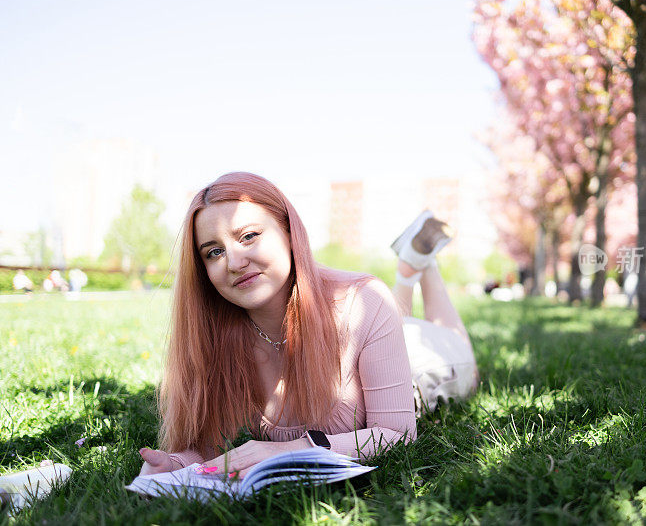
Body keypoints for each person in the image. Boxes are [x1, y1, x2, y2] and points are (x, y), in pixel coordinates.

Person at [138, 172, 478, 476]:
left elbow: (396, 433)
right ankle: (410, 266)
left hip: (426, 367)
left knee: (449, 340)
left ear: (289, 232)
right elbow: (209, 445)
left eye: (248, 236)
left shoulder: (364, 299)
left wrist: (289, 450)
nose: (234, 262)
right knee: (399, 316)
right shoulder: (217, 329)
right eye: (214, 252)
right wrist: (177, 464)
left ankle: (421, 264)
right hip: (383, 333)